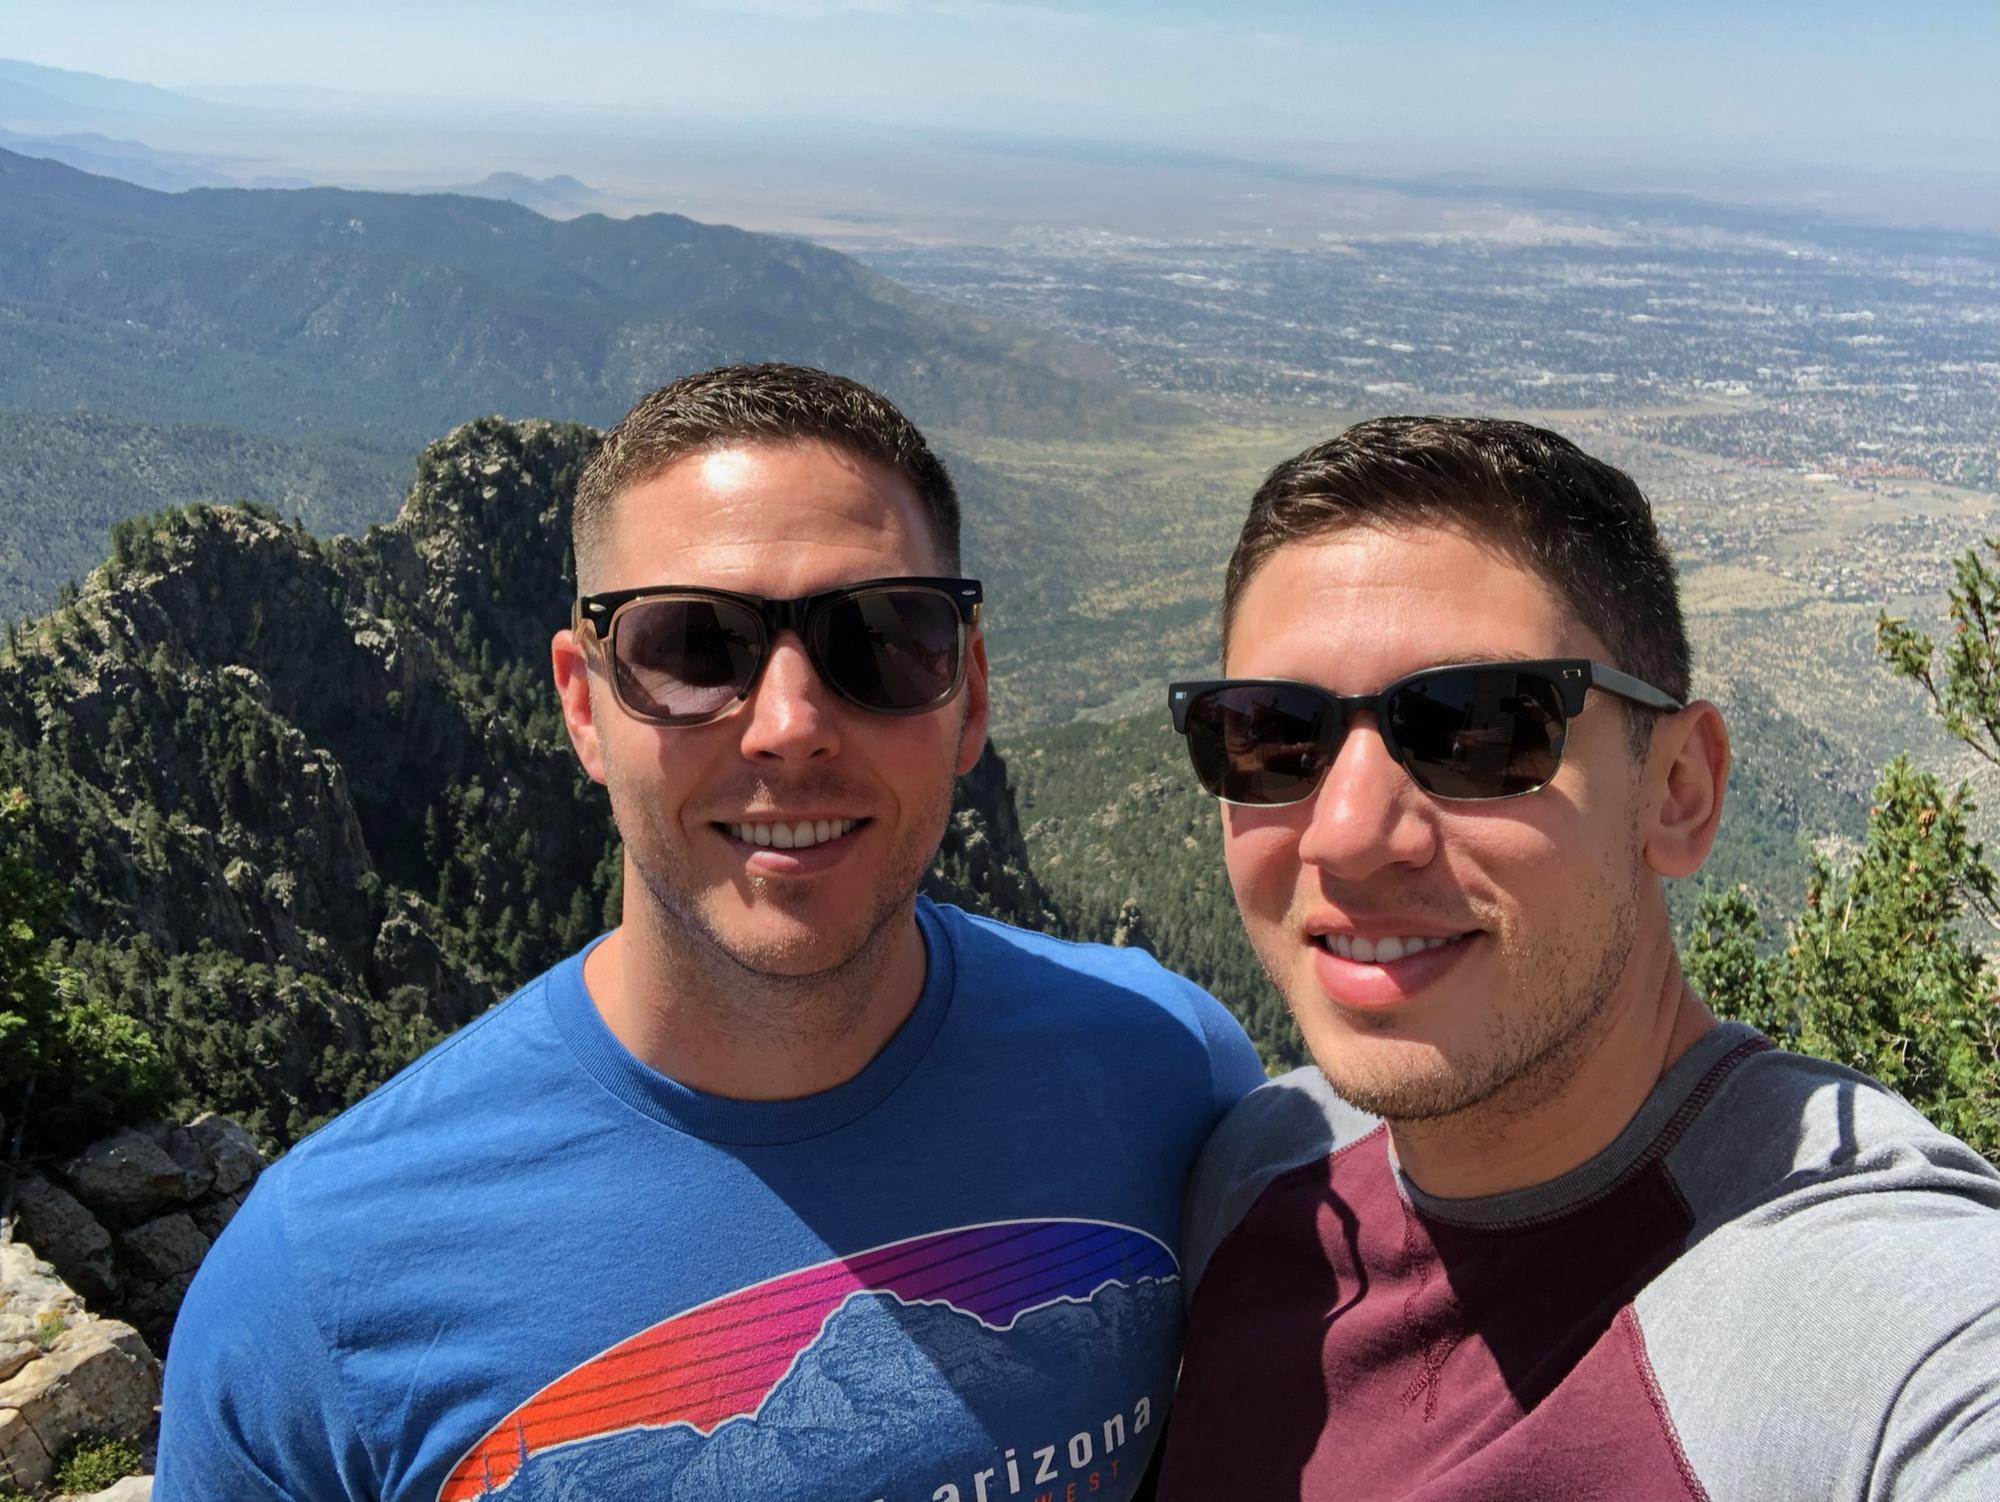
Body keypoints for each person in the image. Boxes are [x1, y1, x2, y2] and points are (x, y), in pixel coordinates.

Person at [157, 363, 1266, 1502]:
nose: (789, 726)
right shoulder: (316, 1289)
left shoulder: (1170, 1070)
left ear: (969, 690)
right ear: (584, 705)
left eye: (881, 637)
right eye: (693, 646)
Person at [1154, 416, 2000, 1500]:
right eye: (1271, 734)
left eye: (1476, 727)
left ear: (1677, 790)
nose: (1348, 831)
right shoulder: (1259, 1169)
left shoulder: (1872, 1315)